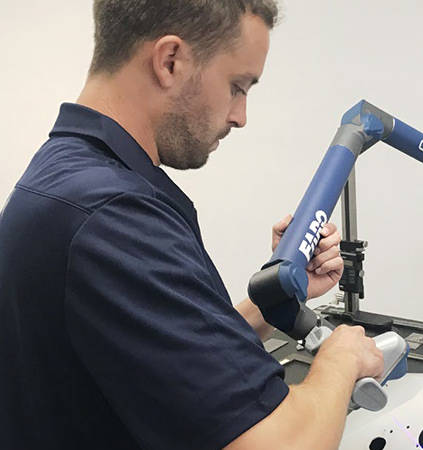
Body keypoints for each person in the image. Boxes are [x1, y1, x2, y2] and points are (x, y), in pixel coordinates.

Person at [0, 1, 383, 449]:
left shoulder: (69, 176)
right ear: (171, 61)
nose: (241, 115)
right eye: (237, 87)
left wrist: (274, 298)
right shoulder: (112, 215)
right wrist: (341, 360)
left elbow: (159, 349)